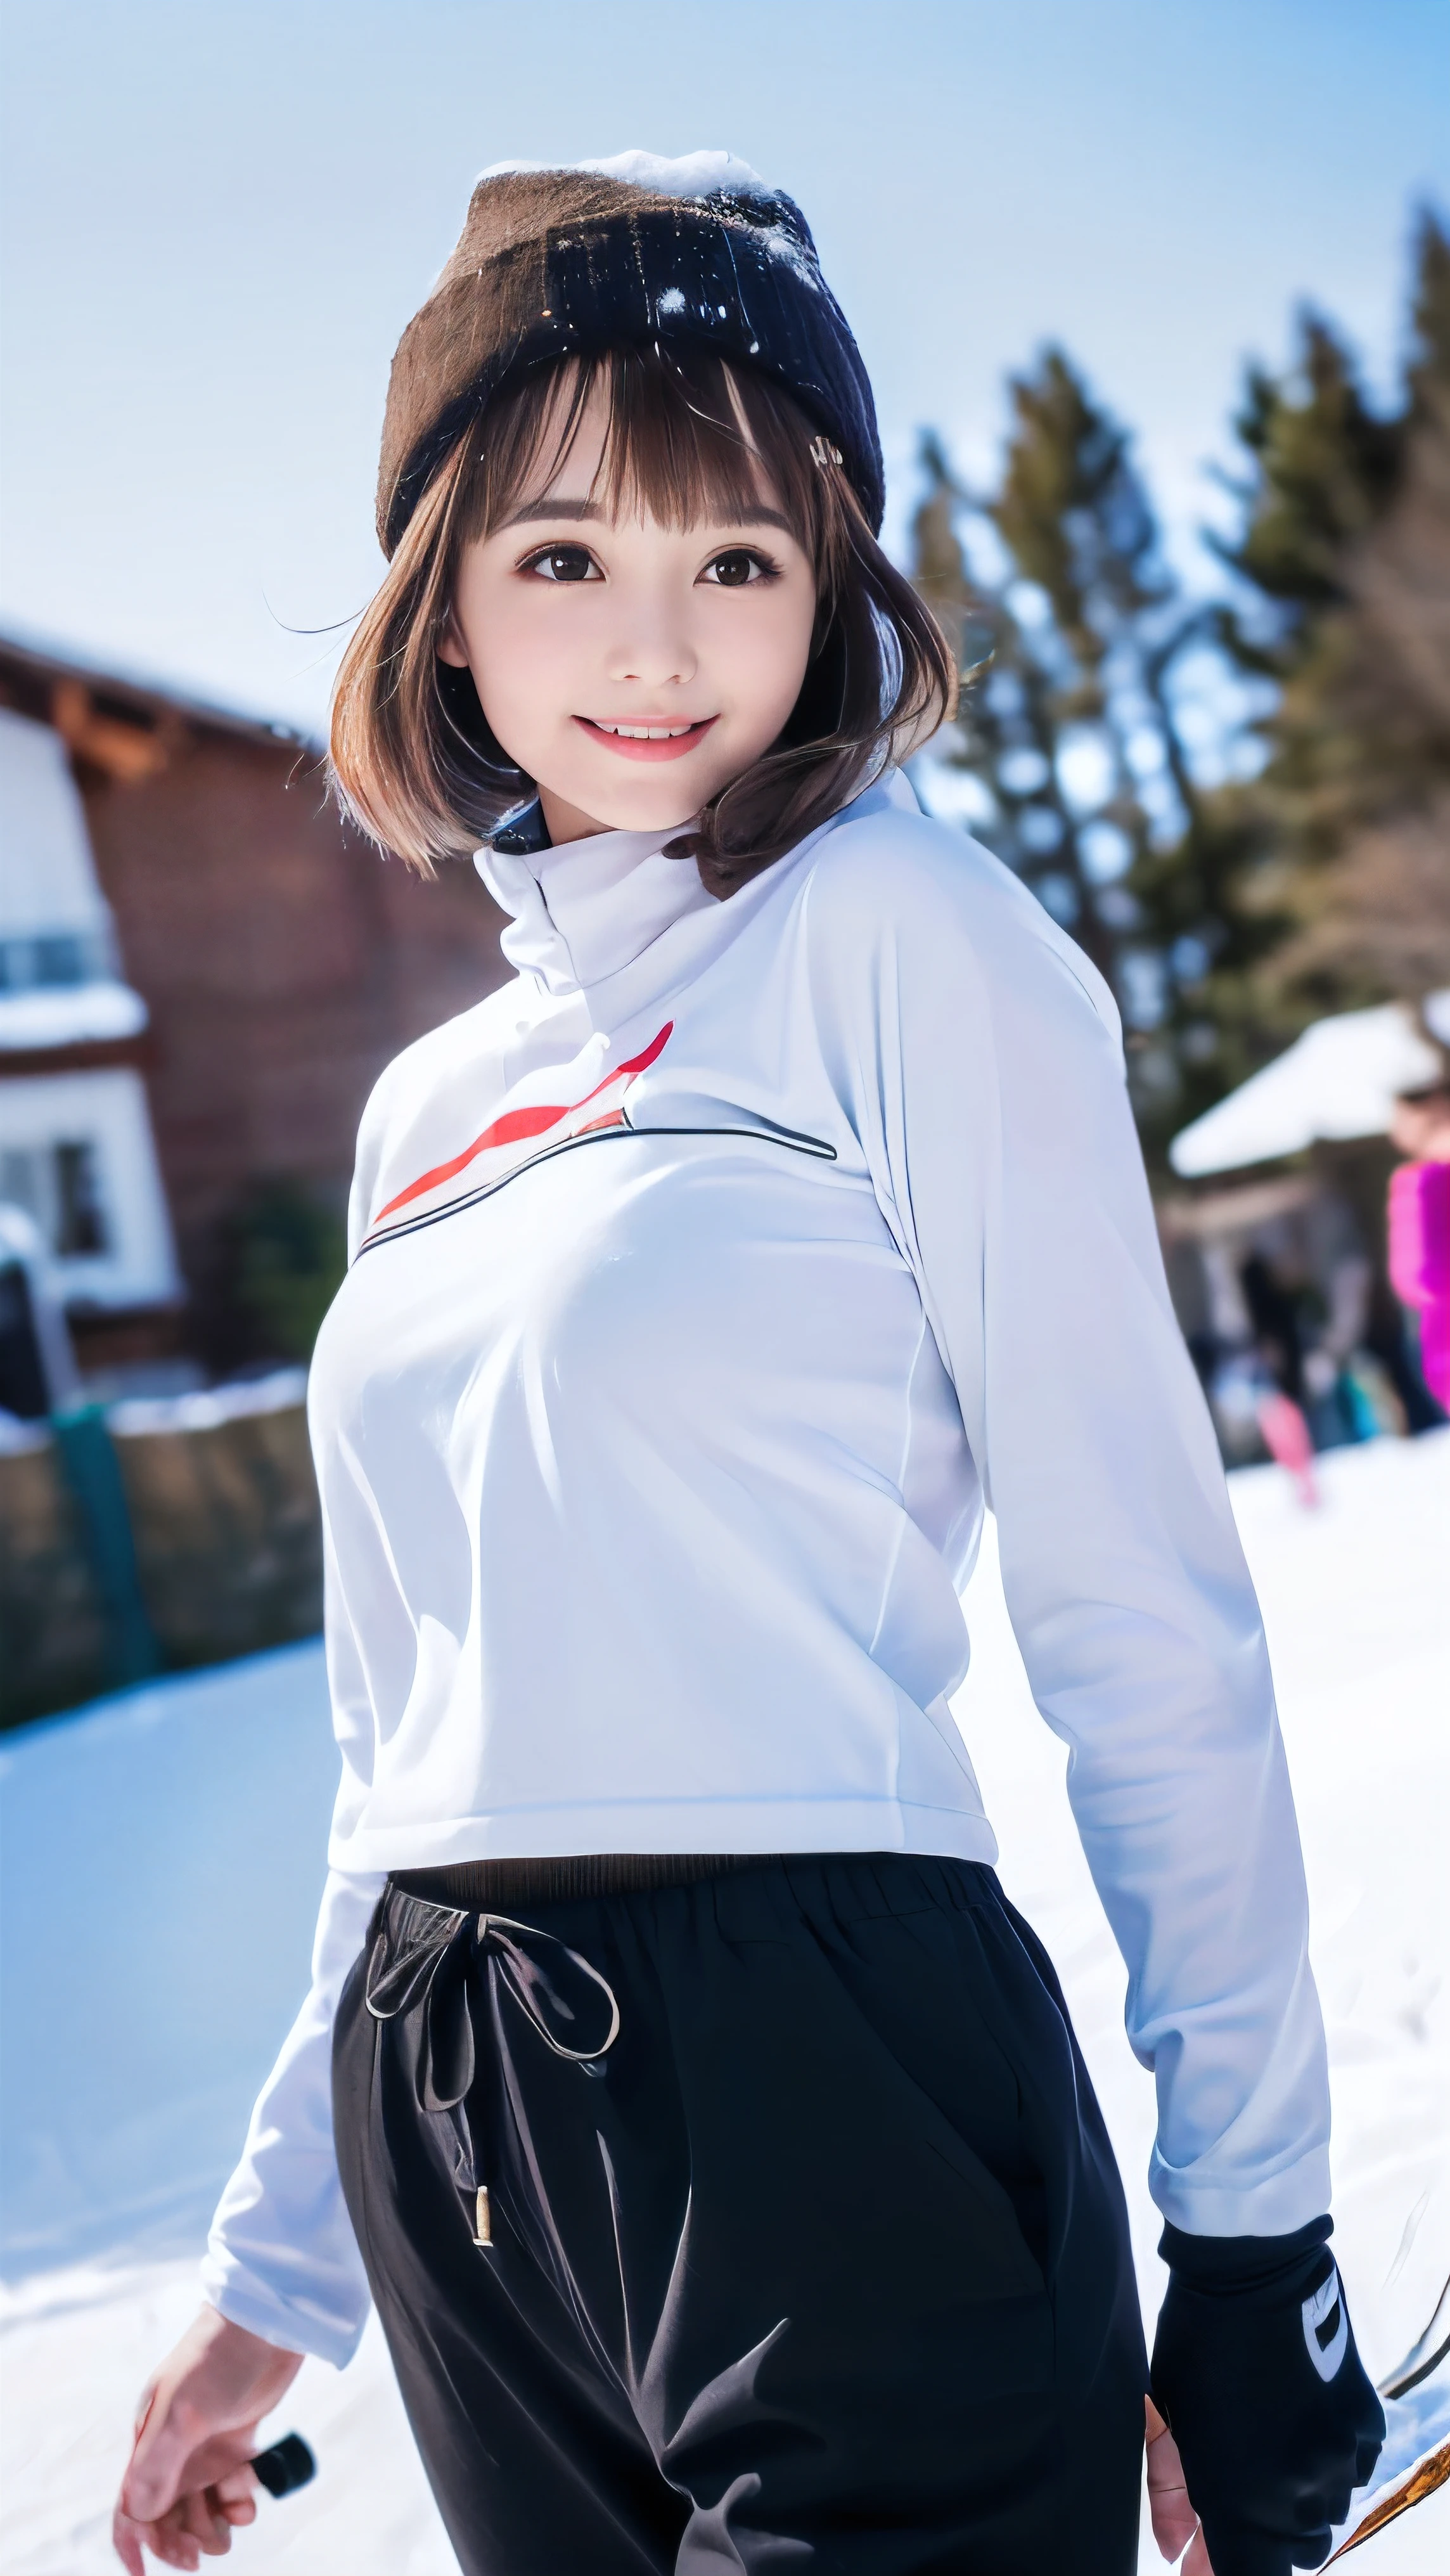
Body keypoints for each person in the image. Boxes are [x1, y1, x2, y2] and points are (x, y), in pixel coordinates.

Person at [113, 153, 1383, 2576]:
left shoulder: (917, 943)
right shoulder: (420, 1116)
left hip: (836, 2083)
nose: (658, 640)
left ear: (833, 594)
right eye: (568, 552)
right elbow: (403, 1748)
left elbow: (1145, 1629)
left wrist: (1256, 2244)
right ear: (447, 602)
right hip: (459, 2120)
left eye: (742, 557)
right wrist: (270, 2276)